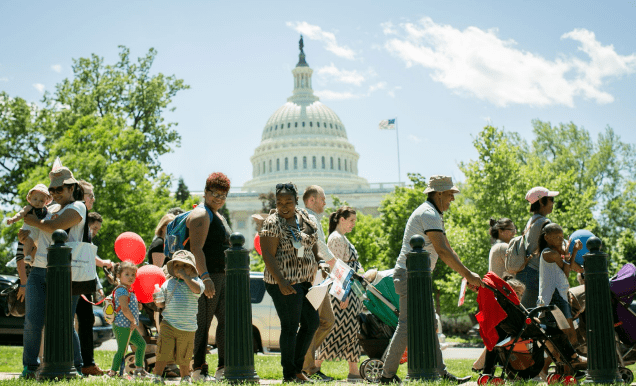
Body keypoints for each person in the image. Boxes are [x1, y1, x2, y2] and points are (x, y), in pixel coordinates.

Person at [379, 175, 483, 385]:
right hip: (411, 276)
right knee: (407, 325)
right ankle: (386, 375)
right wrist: (468, 275)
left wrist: (466, 273)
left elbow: (447, 248)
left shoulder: (432, 213)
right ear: (438, 193)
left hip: (416, 277)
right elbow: (442, 251)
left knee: (428, 322)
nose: (452, 199)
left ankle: (441, 373)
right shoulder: (429, 213)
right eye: (450, 194)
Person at [20, 167, 87, 378]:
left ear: (72, 188)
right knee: (32, 320)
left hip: (68, 271)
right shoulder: (48, 209)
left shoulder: (78, 207)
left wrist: (34, 222)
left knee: (66, 320)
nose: (56, 193)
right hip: (39, 269)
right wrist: (27, 237)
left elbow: (57, 227)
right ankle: (30, 367)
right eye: (53, 190)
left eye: (60, 189)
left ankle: (77, 366)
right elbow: (43, 235)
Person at [260, 182, 320, 383]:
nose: (284, 205)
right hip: (283, 281)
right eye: (279, 202)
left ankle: (296, 368)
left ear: (296, 201)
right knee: (290, 326)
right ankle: (289, 374)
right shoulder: (272, 222)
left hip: (304, 281)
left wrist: (319, 265)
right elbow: (267, 254)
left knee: (312, 323)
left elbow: (312, 246)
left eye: (288, 201)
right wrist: (282, 281)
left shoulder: (305, 218)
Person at [187, 173, 232, 382]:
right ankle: (198, 369)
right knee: (202, 324)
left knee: (225, 322)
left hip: (221, 276)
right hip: (208, 276)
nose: (218, 198)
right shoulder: (201, 214)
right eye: (214, 193)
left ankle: (222, 367)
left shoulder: (217, 215)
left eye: (223, 195)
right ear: (205, 192)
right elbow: (196, 248)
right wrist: (205, 278)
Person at [317, 206, 364, 382]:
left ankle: (354, 371)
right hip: (343, 292)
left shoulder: (342, 238)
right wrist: (342, 294)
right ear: (341, 219)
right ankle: (314, 366)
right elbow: (334, 268)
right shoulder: (336, 239)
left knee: (351, 332)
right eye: (351, 220)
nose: (353, 224)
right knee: (335, 331)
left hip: (350, 290)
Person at [75, 181, 112, 376]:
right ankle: (80, 363)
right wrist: (104, 263)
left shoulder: (81, 224)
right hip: (75, 279)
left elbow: (88, 260)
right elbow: (87, 258)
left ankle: (86, 363)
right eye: (89, 195)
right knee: (78, 320)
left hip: (82, 281)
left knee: (86, 319)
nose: (93, 199)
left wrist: (97, 284)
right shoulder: (77, 221)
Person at [153, 250, 205, 384]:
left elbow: (197, 290)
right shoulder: (168, 283)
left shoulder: (196, 282)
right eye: (177, 266)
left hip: (187, 326)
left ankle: (185, 376)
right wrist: (157, 298)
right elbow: (161, 303)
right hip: (168, 323)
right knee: (163, 350)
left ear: (192, 268)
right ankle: (157, 375)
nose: (180, 269)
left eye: (184, 266)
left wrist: (187, 278)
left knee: (185, 354)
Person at [301, 185, 336, 382]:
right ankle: (307, 366)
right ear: (311, 200)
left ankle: (304, 361)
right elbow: (321, 247)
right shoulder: (310, 218)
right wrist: (339, 268)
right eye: (322, 199)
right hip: (314, 276)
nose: (325, 202)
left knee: (325, 321)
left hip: (318, 276)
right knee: (315, 323)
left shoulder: (313, 218)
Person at [538, 223, 583, 345]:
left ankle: (568, 361)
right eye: (556, 237)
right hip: (555, 297)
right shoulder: (549, 254)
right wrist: (572, 251)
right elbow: (566, 273)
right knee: (569, 335)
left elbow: (566, 267)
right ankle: (569, 361)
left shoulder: (554, 252)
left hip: (560, 295)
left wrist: (570, 251)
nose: (560, 240)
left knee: (568, 335)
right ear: (546, 238)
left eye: (561, 237)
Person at [517, 186, 557, 309]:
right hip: (537, 277)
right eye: (551, 199)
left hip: (525, 274)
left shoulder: (531, 221)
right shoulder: (545, 222)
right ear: (541, 201)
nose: (553, 203)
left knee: (528, 316)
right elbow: (554, 250)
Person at [10, 184, 52, 303]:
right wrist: (23, 284)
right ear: (29, 198)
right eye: (35, 199)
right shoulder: (26, 226)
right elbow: (19, 256)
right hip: (30, 277)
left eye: (41, 200)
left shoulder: (48, 216)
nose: (38, 202)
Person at [107, 261, 149, 378]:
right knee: (122, 349)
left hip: (129, 324)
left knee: (141, 344)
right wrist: (133, 321)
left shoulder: (129, 290)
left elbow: (130, 306)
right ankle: (113, 372)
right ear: (119, 276)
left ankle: (139, 369)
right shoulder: (121, 290)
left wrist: (138, 306)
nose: (131, 277)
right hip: (122, 325)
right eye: (127, 274)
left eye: (133, 275)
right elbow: (125, 309)